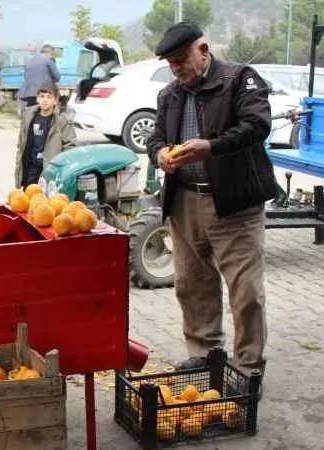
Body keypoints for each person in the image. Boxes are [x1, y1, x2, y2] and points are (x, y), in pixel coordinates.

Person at [146, 22, 276, 373]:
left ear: (203, 50)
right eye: (170, 63)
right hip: (185, 202)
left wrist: (211, 147)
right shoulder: (170, 95)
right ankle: (205, 353)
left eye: (181, 59)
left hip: (234, 203)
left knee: (245, 291)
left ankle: (248, 367)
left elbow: (257, 126)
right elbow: (155, 138)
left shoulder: (240, 79)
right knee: (192, 284)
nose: (176, 68)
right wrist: (159, 154)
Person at [14, 82, 76, 187]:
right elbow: (21, 143)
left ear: (55, 100)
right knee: (30, 193)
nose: (45, 100)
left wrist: (60, 167)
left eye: (49, 97)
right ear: (37, 98)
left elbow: (70, 146)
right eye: (42, 96)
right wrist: (18, 163)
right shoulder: (28, 116)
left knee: (47, 195)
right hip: (31, 166)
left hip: (49, 169)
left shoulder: (62, 121)